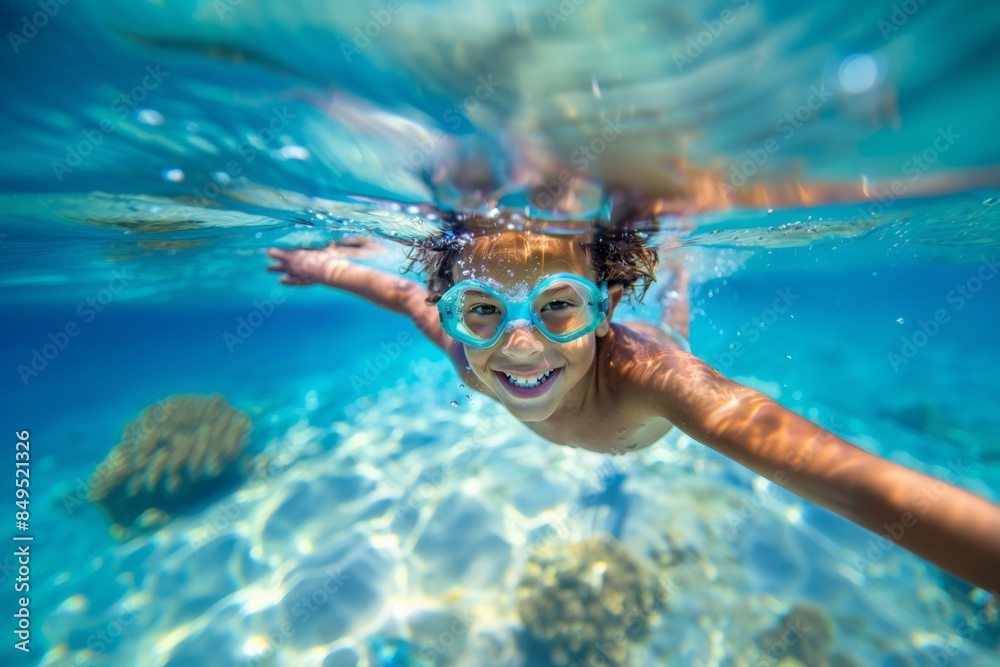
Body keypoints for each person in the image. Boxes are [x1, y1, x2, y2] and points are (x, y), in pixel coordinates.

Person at [266, 221, 1000, 594]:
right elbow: (399, 292)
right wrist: (318, 264)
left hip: (653, 347)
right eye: (484, 308)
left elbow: (862, 484)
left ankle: (673, 272)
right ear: (458, 310)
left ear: (606, 303)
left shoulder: (658, 382)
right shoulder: (469, 347)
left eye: (558, 305)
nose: (519, 346)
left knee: (677, 321)